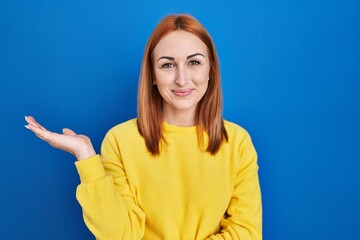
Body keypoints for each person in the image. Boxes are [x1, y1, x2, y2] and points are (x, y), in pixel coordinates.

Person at [25, 14, 262, 240]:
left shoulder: (237, 142)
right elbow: (118, 235)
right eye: (167, 65)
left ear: (211, 70)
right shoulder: (119, 140)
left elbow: (247, 233)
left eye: (194, 62)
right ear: (152, 75)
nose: (182, 78)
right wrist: (86, 156)